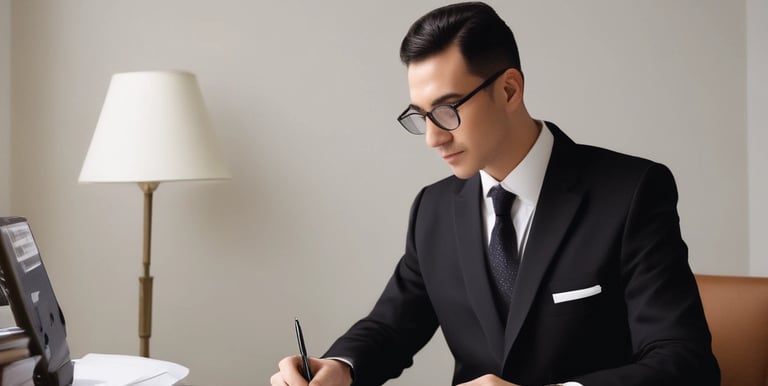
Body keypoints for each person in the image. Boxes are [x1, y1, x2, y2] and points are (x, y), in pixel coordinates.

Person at [271, 2, 720, 385]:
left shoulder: (631, 192)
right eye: (420, 115)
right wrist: (340, 366)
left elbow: (684, 361)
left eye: (446, 110)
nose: (433, 138)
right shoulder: (433, 209)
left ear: (508, 90)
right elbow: (390, 328)